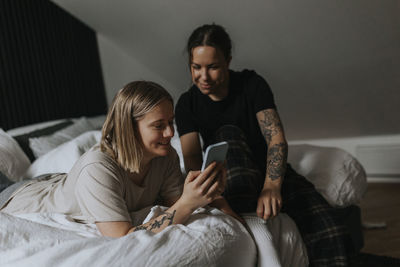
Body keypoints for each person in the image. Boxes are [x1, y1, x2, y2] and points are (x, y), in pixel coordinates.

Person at [175, 24, 354, 266]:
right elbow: (193, 158)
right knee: (227, 136)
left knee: (330, 229)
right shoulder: (187, 104)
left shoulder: (252, 84)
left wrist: (271, 186)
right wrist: (216, 199)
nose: (203, 77)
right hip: (226, 177)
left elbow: (276, 139)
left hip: (264, 171)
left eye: (213, 67)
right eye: (196, 67)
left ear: (227, 61)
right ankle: (247, 211)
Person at [0, 81, 226, 238]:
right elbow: (123, 236)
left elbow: (174, 206)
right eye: (159, 125)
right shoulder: (98, 167)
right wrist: (187, 203)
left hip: (57, 183)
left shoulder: (165, 156)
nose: (170, 133)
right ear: (129, 128)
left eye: (171, 122)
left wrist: (204, 194)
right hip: (21, 197)